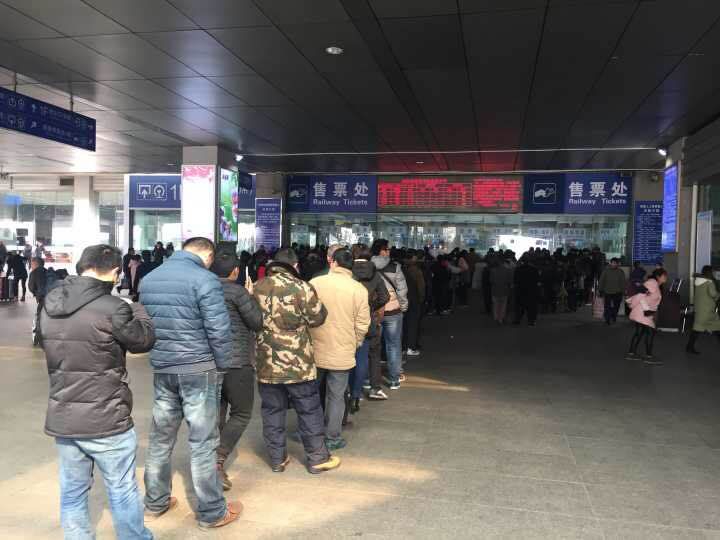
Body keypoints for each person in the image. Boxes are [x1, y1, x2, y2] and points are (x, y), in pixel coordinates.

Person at [40, 245, 156, 539]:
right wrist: (138, 310)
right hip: (107, 417)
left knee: (73, 490)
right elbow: (142, 341)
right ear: (115, 272)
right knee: (122, 488)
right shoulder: (113, 307)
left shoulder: (50, 304)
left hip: (64, 415)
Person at [140, 237, 240, 529]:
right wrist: (222, 366)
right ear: (207, 256)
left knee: (160, 438)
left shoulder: (150, 278)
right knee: (203, 441)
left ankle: (155, 502)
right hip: (198, 368)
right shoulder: (205, 279)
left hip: (164, 368)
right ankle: (212, 511)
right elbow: (219, 329)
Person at [253, 248, 340, 474]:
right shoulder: (302, 287)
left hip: (266, 362)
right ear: (295, 265)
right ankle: (317, 458)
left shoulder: (257, 286)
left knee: (272, 410)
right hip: (298, 363)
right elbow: (318, 318)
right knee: (309, 409)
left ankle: (277, 459)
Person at [210, 248, 263, 490]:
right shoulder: (239, 292)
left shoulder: (203, 290)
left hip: (209, 360)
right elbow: (257, 322)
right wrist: (251, 297)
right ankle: (218, 458)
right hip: (237, 361)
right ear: (236, 271)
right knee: (241, 412)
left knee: (216, 412)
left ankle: (209, 459)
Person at [310, 248, 370, 450]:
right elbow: (362, 323)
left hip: (315, 348)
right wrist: (356, 342)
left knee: (310, 393)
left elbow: (305, 314)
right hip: (343, 349)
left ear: (333, 262)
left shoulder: (316, 283)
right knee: (336, 396)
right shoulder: (358, 289)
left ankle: (310, 433)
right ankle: (332, 437)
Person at [351, 245, 390, 403]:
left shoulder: (348, 271)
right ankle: (375, 388)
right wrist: (371, 306)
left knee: (352, 356)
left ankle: (354, 391)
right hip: (368, 319)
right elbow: (385, 296)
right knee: (373, 354)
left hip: (349, 319)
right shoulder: (375, 274)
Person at [371, 239, 408, 389]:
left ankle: (369, 380)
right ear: (382, 250)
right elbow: (402, 290)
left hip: (374, 311)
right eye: (387, 249)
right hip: (393, 311)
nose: (389, 251)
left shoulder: (368, 266)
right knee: (393, 344)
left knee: (373, 345)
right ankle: (393, 379)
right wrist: (403, 307)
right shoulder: (395, 267)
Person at [626, 268, 668, 365]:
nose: (666, 277)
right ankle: (648, 356)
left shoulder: (655, 284)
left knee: (640, 332)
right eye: (664, 275)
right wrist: (635, 306)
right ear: (658, 276)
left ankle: (631, 353)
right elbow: (640, 295)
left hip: (644, 312)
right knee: (649, 332)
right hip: (642, 312)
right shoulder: (652, 283)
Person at [686, 266, 720, 354]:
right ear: (709, 272)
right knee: (716, 327)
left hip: (700, 309)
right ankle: (689, 347)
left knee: (698, 329)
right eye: (713, 272)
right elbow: (713, 294)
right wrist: (718, 295)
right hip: (707, 310)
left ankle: (689, 347)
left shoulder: (698, 282)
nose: (714, 273)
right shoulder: (709, 282)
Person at [402, 249, 425, 356]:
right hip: (414, 299)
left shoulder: (401, 268)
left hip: (402, 299)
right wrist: (422, 298)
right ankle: (411, 346)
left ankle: (404, 346)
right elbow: (421, 287)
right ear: (413, 258)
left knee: (404, 324)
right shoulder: (416, 270)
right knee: (413, 324)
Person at [599, 257, 627, 325]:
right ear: (610, 263)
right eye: (613, 263)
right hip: (607, 291)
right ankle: (607, 319)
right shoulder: (605, 271)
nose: (614, 264)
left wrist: (624, 291)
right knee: (607, 306)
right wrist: (600, 290)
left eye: (615, 263)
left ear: (617, 264)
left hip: (618, 292)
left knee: (616, 306)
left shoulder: (620, 272)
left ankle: (613, 316)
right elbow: (601, 281)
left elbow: (623, 282)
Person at [514, 257, 540, 326]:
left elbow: (515, 280)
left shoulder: (518, 269)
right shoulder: (534, 269)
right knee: (531, 307)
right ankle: (531, 321)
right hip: (531, 290)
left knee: (520, 306)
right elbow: (537, 280)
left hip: (520, 290)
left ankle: (517, 319)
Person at [490, 258, 513, 324]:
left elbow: (491, 281)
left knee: (495, 305)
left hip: (495, 290)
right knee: (503, 305)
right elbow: (509, 281)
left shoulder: (492, 270)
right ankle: (501, 318)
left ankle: (496, 317)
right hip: (504, 290)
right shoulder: (508, 270)